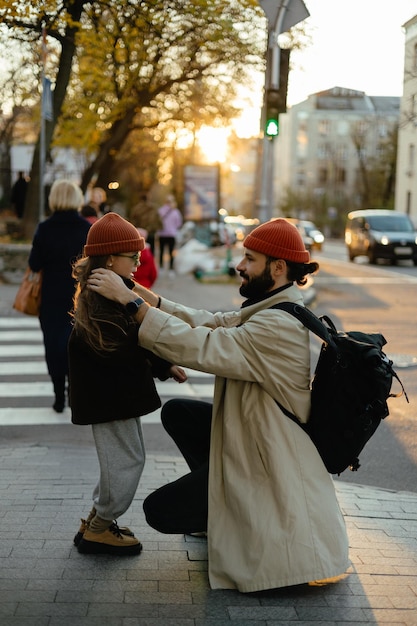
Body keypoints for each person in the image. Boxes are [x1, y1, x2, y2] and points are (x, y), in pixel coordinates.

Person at [87, 218, 349, 593]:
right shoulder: (273, 306)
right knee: (180, 413)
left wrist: (130, 304)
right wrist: (143, 295)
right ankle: (220, 514)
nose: (239, 265)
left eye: (249, 259)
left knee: (159, 510)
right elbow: (210, 322)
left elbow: (204, 346)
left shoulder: (276, 325)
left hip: (268, 466)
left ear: (277, 268)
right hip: (254, 441)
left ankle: (233, 519)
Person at [68, 212, 187, 556]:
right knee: (126, 463)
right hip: (110, 400)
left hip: (112, 398)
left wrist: (165, 365)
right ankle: (100, 529)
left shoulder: (109, 293)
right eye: (132, 257)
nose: (138, 262)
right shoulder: (105, 299)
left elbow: (133, 339)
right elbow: (131, 343)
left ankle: (96, 521)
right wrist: (163, 363)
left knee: (120, 462)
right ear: (109, 259)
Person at [28, 179, 91, 413]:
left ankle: (58, 395)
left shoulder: (44, 229)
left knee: (53, 344)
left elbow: (34, 264)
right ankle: (73, 391)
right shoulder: (86, 228)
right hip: (79, 295)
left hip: (51, 295)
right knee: (76, 343)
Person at [156, 194, 183, 274]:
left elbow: (157, 222)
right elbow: (179, 224)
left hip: (162, 234)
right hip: (171, 234)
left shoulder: (160, 210)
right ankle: (171, 268)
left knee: (161, 251)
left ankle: (160, 268)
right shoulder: (176, 212)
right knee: (171, 252)